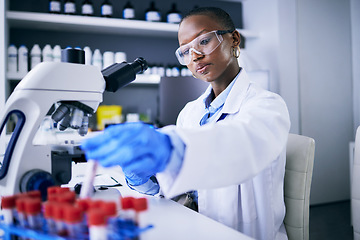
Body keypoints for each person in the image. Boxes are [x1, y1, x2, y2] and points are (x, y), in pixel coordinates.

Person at [81, 7, 290, 240]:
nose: (195, 56)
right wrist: (143, 179)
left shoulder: (268, 106)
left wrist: (173, 149)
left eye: (204, 41)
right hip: (194, 227)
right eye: (186, 51)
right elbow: (184, 192)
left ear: (234, 39)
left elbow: (240, 145)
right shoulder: (190, 113)